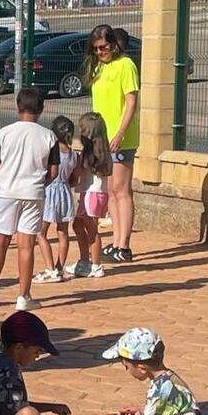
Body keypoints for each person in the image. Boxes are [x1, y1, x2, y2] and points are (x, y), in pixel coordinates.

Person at [0, 88, 57, 312]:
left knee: (0, 242)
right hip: (33, 193)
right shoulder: (49, 136)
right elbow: (53, 172)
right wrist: (40, 185)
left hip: (6, 193)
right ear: (41, 109)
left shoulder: (4, 133)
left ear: (17, 107)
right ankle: (24, 296)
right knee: (27, 245)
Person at [87, 24, 139, 263]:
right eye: (96, 48)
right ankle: (117, 240)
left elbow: (130, 102)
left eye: (104, 47)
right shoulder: (99, 67)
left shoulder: (125, 65)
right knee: (110, 192)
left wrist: (119, 133)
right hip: (101, 138)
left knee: (121, 189)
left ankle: (124, 245)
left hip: (120, 139)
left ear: (113, 44)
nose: (100, 52)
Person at [34, 116, 81, 284]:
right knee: (63, 232)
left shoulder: (50, 153)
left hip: (50, 192)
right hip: (65, 192)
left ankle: (50, 268)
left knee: (41, 232)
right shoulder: (75, 155)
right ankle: (60, 267)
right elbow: (75, 179)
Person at [71, 113, 111, 279]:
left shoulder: (88, 154)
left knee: (92, 230)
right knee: (77, 225)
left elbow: (79, 171)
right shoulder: (104, 152)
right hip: (99, 194)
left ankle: (95, 264)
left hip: (90, 195)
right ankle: (84, 260)